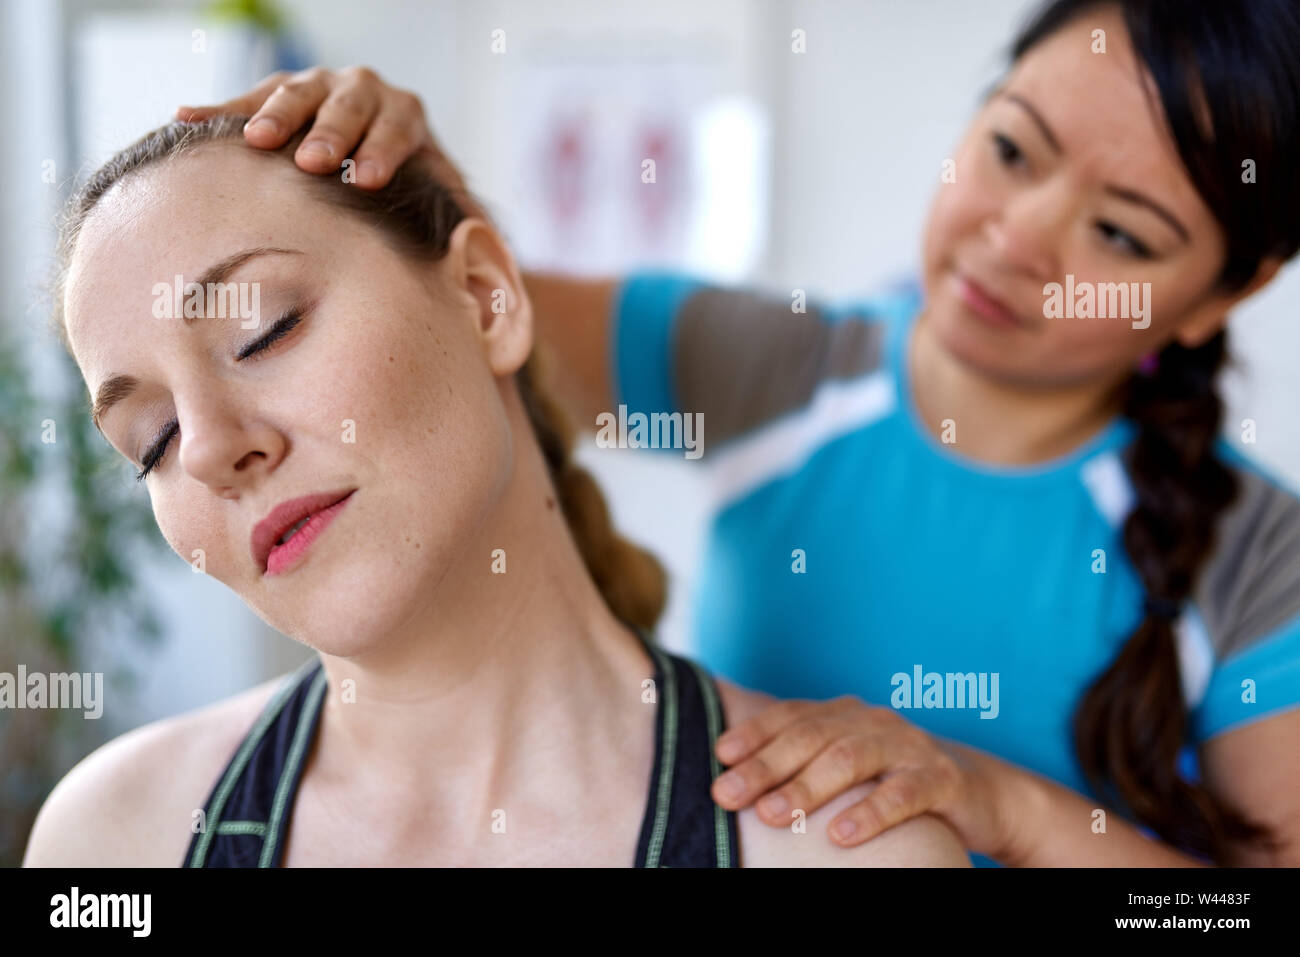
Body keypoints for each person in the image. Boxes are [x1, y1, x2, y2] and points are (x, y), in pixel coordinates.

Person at [181, 0, 1300, 866]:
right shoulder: (776, 366)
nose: (1018, 237)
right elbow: (468, 317)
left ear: (1221, 294)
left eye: (1117, 231)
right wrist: (402, 173)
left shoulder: (1260, 559)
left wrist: (999, 803)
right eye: (1012, 151)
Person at [22, 114, 967, 867]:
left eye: (264, 330)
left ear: (484, 296)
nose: (212, 450)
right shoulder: (113, 841)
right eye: (153, 440)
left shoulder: (842, 847)